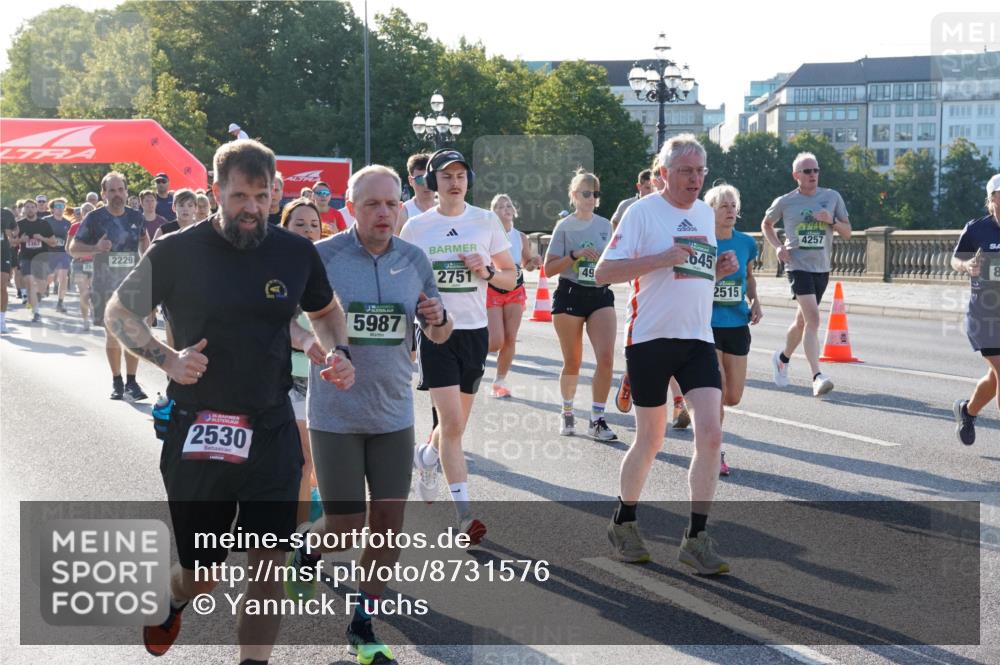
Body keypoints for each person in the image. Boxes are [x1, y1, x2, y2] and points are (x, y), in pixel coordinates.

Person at [104, 138, 355, 663]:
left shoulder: (294, 252)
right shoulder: (175, 251)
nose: (252, 209)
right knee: (204, 575)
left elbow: (328, 313)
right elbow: (118, 313)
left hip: (270, 426)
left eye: (262, 196)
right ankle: (173, 599)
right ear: (215, 191)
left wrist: (339, 351)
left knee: (268, 567)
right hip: (199, 428)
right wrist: (168, 359)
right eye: (240, 196)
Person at [285, 165, 450, 664]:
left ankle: (362, 620)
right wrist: (317, 349)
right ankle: (309, 553)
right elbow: (285, 323)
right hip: (335, 412)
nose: (384, 212)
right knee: (346, 522)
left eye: (392, 203)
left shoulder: (415, 258)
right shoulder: (322, 257)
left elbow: (440, 332)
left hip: (393, 411)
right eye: (372, 205)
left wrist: (439, 320)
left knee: (388, 521)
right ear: (351, 209)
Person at [596, 133, 738, 574]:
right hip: (650, 340)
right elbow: (603, 273)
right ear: (663, 175)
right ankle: (624, 520)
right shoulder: (642, 213)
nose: (695, 179)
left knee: (711, 437)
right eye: (685, 171)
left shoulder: (703, 214)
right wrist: (658, 258)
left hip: (697, 339)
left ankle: (696, 536)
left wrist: (715, 270)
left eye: (700, 171)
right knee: (651, 439)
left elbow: (690, 276)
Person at [401, 148, 516, 543]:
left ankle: (427, 457)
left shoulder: (485, 221)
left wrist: (484, 270)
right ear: (433, 181)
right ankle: (466, 516)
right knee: (450, 424)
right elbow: (403, 281)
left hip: (474, 333)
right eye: (446, 176)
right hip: (436, 333)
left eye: (461, 175)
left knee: (456, 426)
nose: (455, 182)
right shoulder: (417, 228)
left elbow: (510, 277)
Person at [762, 152, 851, 397]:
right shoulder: (786, 201)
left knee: (801, 322)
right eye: (807, 171)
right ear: (796, 176)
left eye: (815, 170)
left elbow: (847, 233)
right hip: (797, 265)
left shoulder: (832, 197)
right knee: (813, 320)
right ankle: (817, 376)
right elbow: (766, 224)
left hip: (821, 268)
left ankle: (782, 359)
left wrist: (831, 220)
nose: (813, 175)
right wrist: (778, 246)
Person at [544, 169, 618, 441]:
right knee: (573, 361)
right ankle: (567, 411)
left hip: (599, 295)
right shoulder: (564, 227)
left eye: (595, 194)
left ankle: (597, 419)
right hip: (570, 295)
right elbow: (549, 269)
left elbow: (613, 262)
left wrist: (607, 265)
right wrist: (574, 255)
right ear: (574, 196)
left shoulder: (605, 226)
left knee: (607, 358)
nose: (591, 198)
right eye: (586, 193)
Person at [68, 172, 150, 401]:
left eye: (120, 189)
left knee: (134, 333)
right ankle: (117, 381)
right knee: (113, 335)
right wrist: (96, 248)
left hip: (132, 285)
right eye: (111, 191)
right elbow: (73, 249)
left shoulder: (136, 216)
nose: (117, 194)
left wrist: (147, 263)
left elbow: (144, 241)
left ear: (126, 191)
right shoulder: (95, 219)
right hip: (104, 286)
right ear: (104, 194)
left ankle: (132, 382)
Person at [705, 183, 762, 476]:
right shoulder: (703, 243)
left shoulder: (746, 243)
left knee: (733, 396)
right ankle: (714, 450)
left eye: (733, 205)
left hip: (738, 323)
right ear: (711, 210)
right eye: (723, 205)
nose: (729, 210)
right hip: (708, 325)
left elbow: (749, 277)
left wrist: (755, 301)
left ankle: (702, 420)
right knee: (717, 393)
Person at [279, 198, 325, 526]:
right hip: (288, 379)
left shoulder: (331, 268)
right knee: (305, 461)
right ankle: (300, 535)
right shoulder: (276, 271)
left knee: (318, 465)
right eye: (300, 224)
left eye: (313, 225)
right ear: (285, 227)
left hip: (326, 379)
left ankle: (306, 510)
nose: (308, 231)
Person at [951, 173, 1000, 446]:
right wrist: (967, 266)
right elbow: (955, 259)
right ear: (992, 198)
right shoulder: (976, 229)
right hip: (985, 314)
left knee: (996, 377)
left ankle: (967, 411)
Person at [487, 194, 541, 398]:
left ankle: (499, 382)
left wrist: (533, 262)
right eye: (500, 206)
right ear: (494, 213)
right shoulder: (488, 234)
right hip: (492, 289)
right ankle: (469, 353)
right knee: (495, 341)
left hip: (515, 291)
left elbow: (526, 264)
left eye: (508, 205)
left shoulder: (520, 237)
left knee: (510, 338)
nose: (506, 208)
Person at [15, 199, 56, 323]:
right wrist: (21, 240)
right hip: (26, 257)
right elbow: (11, 242)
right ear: (23, 210)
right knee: (29, 280)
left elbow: (53, 243)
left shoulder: (43, 224)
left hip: (41, 258)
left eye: (32, 207)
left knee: (41, 287)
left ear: (36, 209)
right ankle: (36, 312)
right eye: (27, 207)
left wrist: (42, 238)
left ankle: (32, 301)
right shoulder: (19, 224)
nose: (30, 209)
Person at [67, 204, 95, 332]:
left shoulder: (100, 228)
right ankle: (85, 320)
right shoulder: (74, 227)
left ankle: (93, 308)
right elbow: (68, 248)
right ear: (81, 213)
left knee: (94, 293)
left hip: (96, 263)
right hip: (79, 263)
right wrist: (79, 254)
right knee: (83, 293)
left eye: (90, 210)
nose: (88, 213)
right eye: (85, 211)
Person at [42, 197, 72, 313]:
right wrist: (50, 240)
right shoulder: (46, 220)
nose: (60, 209)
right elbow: (40, 236)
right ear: (52, 209)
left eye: (62, 206)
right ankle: (45, 287)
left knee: (63, 277)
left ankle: (60, 302)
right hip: (48, 252)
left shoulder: (67, 223)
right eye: (57, 206)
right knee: (49, 276)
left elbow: (69, 239)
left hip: (62, 253)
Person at [397, 153, 436, 233]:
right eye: (420, 179)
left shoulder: (447, 209)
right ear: (410, 181)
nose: (426, 184)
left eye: (430, 178)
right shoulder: (403, 213)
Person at [1, 206, 17, 334]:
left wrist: (11, 234)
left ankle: (1, 321)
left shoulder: (6, 214)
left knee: (2, 285)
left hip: (3, 253)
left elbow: (15, 229)